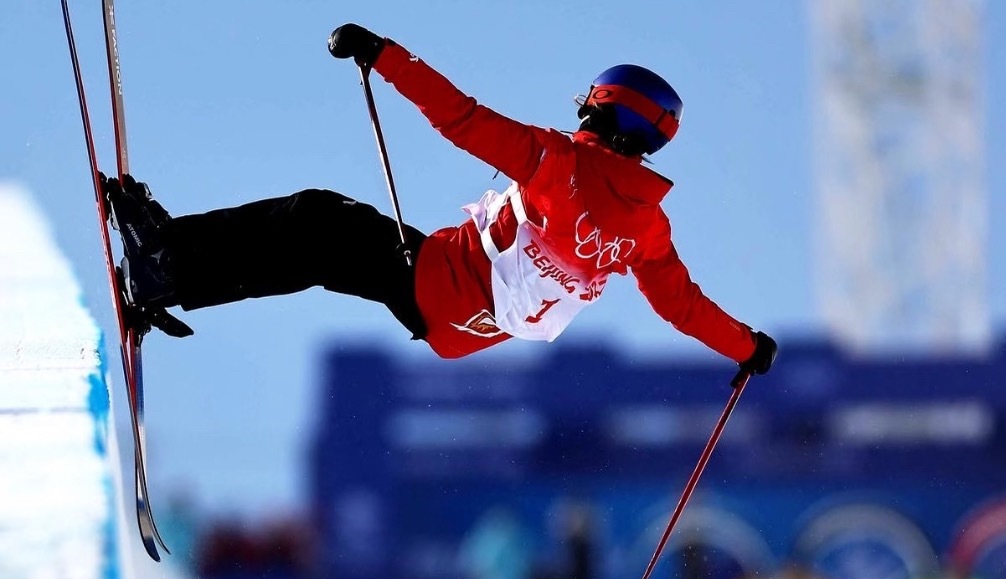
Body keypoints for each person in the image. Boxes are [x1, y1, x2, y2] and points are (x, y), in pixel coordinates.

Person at [102, 23, 778, 374]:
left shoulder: (560, 163)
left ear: (603, 110)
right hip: (465, 328)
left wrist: (384, 54)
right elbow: (683, 308)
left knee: (313, 218)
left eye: (588, 105)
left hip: (441, 280)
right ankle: (172, 276)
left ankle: (166, 262)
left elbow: (461, 118)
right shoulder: (648, 228)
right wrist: (747, 348)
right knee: (317, 252)